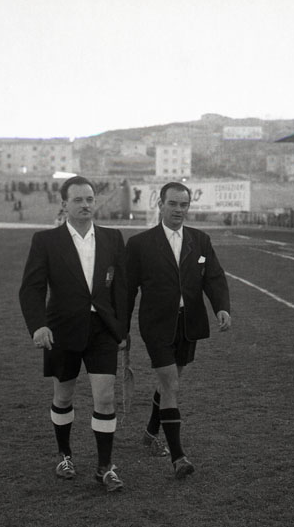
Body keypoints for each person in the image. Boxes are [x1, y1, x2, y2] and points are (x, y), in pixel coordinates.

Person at [19, 176, 127, 493]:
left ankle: (105, 467)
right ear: (64, 204)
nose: (85, 205)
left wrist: (121, 329)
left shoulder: (112, 238)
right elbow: (31, 289)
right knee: (63, 396)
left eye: (90, 199)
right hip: (61, 331)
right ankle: (65, 456)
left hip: (102, 330)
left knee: (105, 398)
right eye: (78, 199)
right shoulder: (46, 241)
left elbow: (121, 288)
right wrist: (38, 325)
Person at [126, 182, 231, 479]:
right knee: (171, 384)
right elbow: (127, 289)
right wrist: (120, 328)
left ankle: (150, 432)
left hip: (189, 323)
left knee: (169, 382)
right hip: (156, 324)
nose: (178, 210)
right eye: (172, 204)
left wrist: (221, 307)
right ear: (160, 204)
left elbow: (213, 277)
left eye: (184, 205)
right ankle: (178, 457)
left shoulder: (200, 241)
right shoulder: (140, 244)